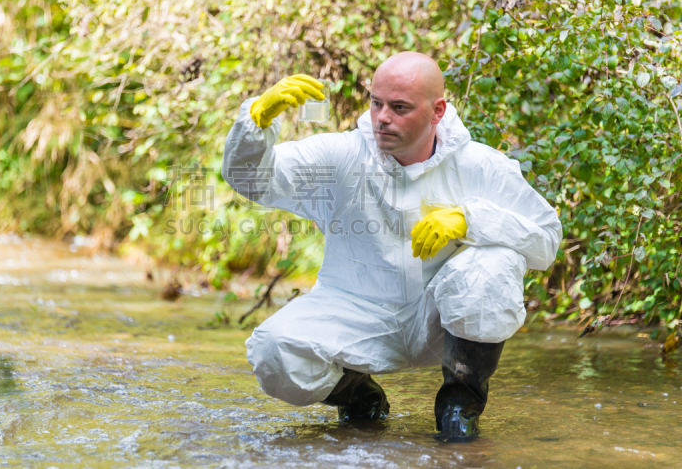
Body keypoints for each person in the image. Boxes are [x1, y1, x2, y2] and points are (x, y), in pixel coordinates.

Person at [222, 52, 562, 440]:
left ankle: (460, 403)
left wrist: (470, 220)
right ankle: (359, 397)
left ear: (437, 112)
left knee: (494, 260)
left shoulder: (480, 166)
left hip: (441, 320)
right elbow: (252, 180)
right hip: (355, 312)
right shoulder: (342, 155)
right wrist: (257, 121)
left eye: (399, 108)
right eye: (376, 103)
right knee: (273, 351)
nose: (382, 117)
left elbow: (546, 238)